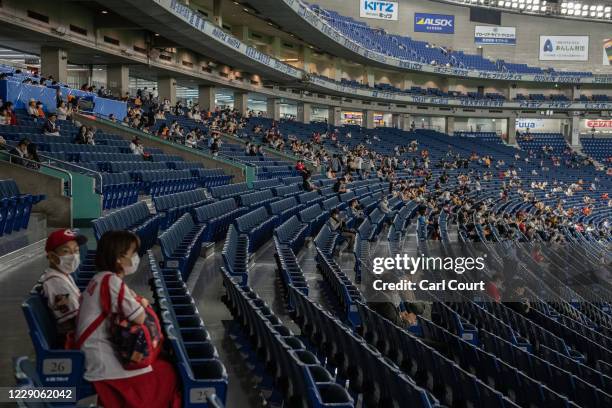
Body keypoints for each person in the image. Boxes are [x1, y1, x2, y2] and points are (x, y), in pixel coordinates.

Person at [76, 231, 181, 408]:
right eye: (132, 253)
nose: (136, 258)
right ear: (119, 258)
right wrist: (143, 301)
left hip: (97, 351)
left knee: (164, 367)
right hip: (103, 361)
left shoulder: (100, 278)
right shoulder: (111, 282)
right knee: (166, 373)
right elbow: (139, 316)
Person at [39, 229, 87, 346]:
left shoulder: (63, 275)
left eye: (76, 251)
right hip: (73, 340)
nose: (74, 256)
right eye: (66, 251)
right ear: (51, 257)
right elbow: (75, 321)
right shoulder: (56, 283)